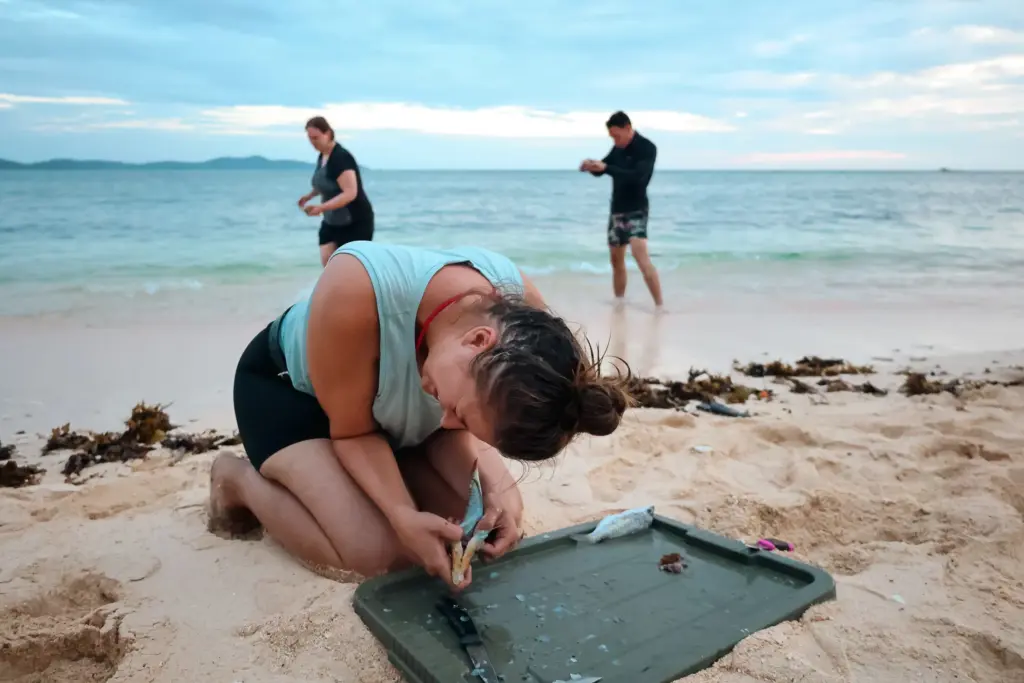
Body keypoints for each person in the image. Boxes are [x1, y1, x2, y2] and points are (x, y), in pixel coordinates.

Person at [209, 240, 632, 591]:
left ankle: (402, 469)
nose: (447, 422)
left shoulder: (525, 334)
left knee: (490, 522)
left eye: (463, 419)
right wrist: (401, 515)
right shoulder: (357, 288)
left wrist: (494, 487)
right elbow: (355, 432)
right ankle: (237, 480)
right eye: (460, 413)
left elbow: (469, 425)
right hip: (295, 397)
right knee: (374, 554)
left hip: (395, 418)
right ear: (478, 340)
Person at [579, 111, 664, 308]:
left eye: (617, 136)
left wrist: (606, 168)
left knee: (639, 255)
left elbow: (638, 177)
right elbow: (604, 168)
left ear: (628, 128)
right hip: (617, 210)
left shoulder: (647, 148)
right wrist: (591, 166)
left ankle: (659, 305)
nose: (614, 140)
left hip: (637, 210)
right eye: (611, 137)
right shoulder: (617, 149)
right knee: (616, 261)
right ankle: (619, 303)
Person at [296, 116, 376, 266]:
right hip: (332, 221)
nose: (313, 142)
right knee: (328, 265)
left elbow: (350, 193)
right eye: (310, 138)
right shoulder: (323, 156)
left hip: (355, 222)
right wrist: (309, 196)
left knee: (350, 270)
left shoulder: (341, 158)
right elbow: (328, 183)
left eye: (316, 138)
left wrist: (321, 207)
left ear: (328, 133)